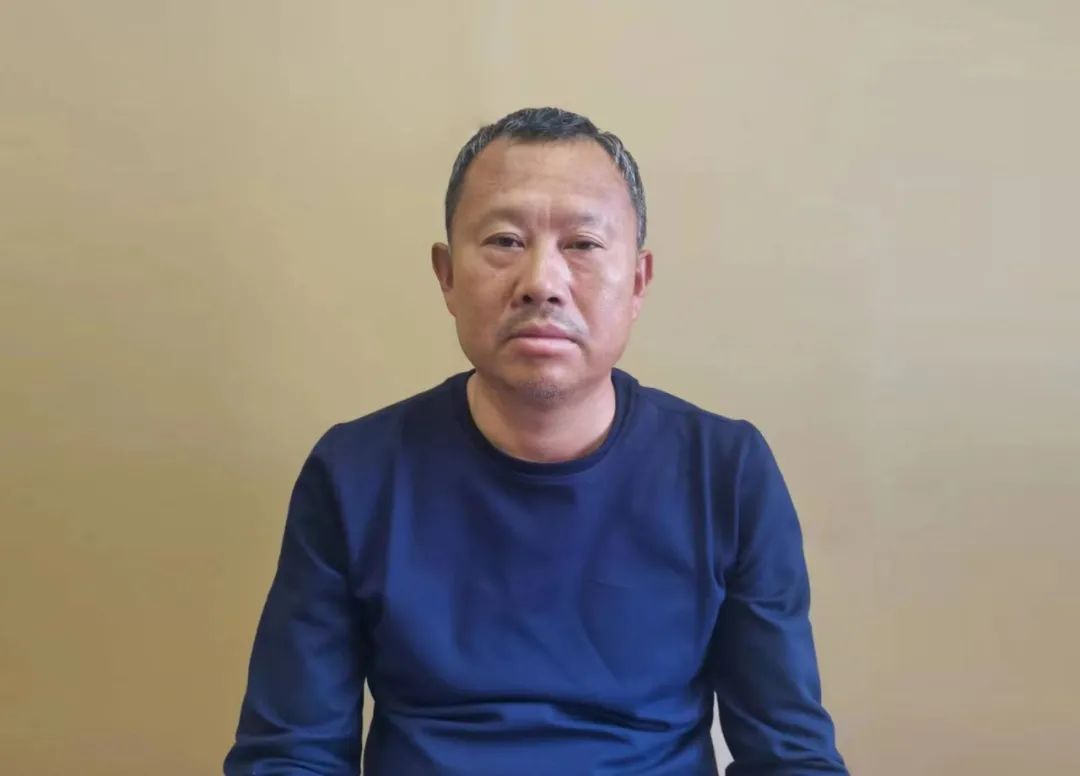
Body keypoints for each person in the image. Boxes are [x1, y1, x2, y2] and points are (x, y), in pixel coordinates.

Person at [224, 107, 846, 775]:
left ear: (638, 281)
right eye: (504, 240)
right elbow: (290, 755)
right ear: (446, 276)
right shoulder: (354, 472)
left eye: (583, 244)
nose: (541, 283)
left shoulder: (725, 472)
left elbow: (790, 757)